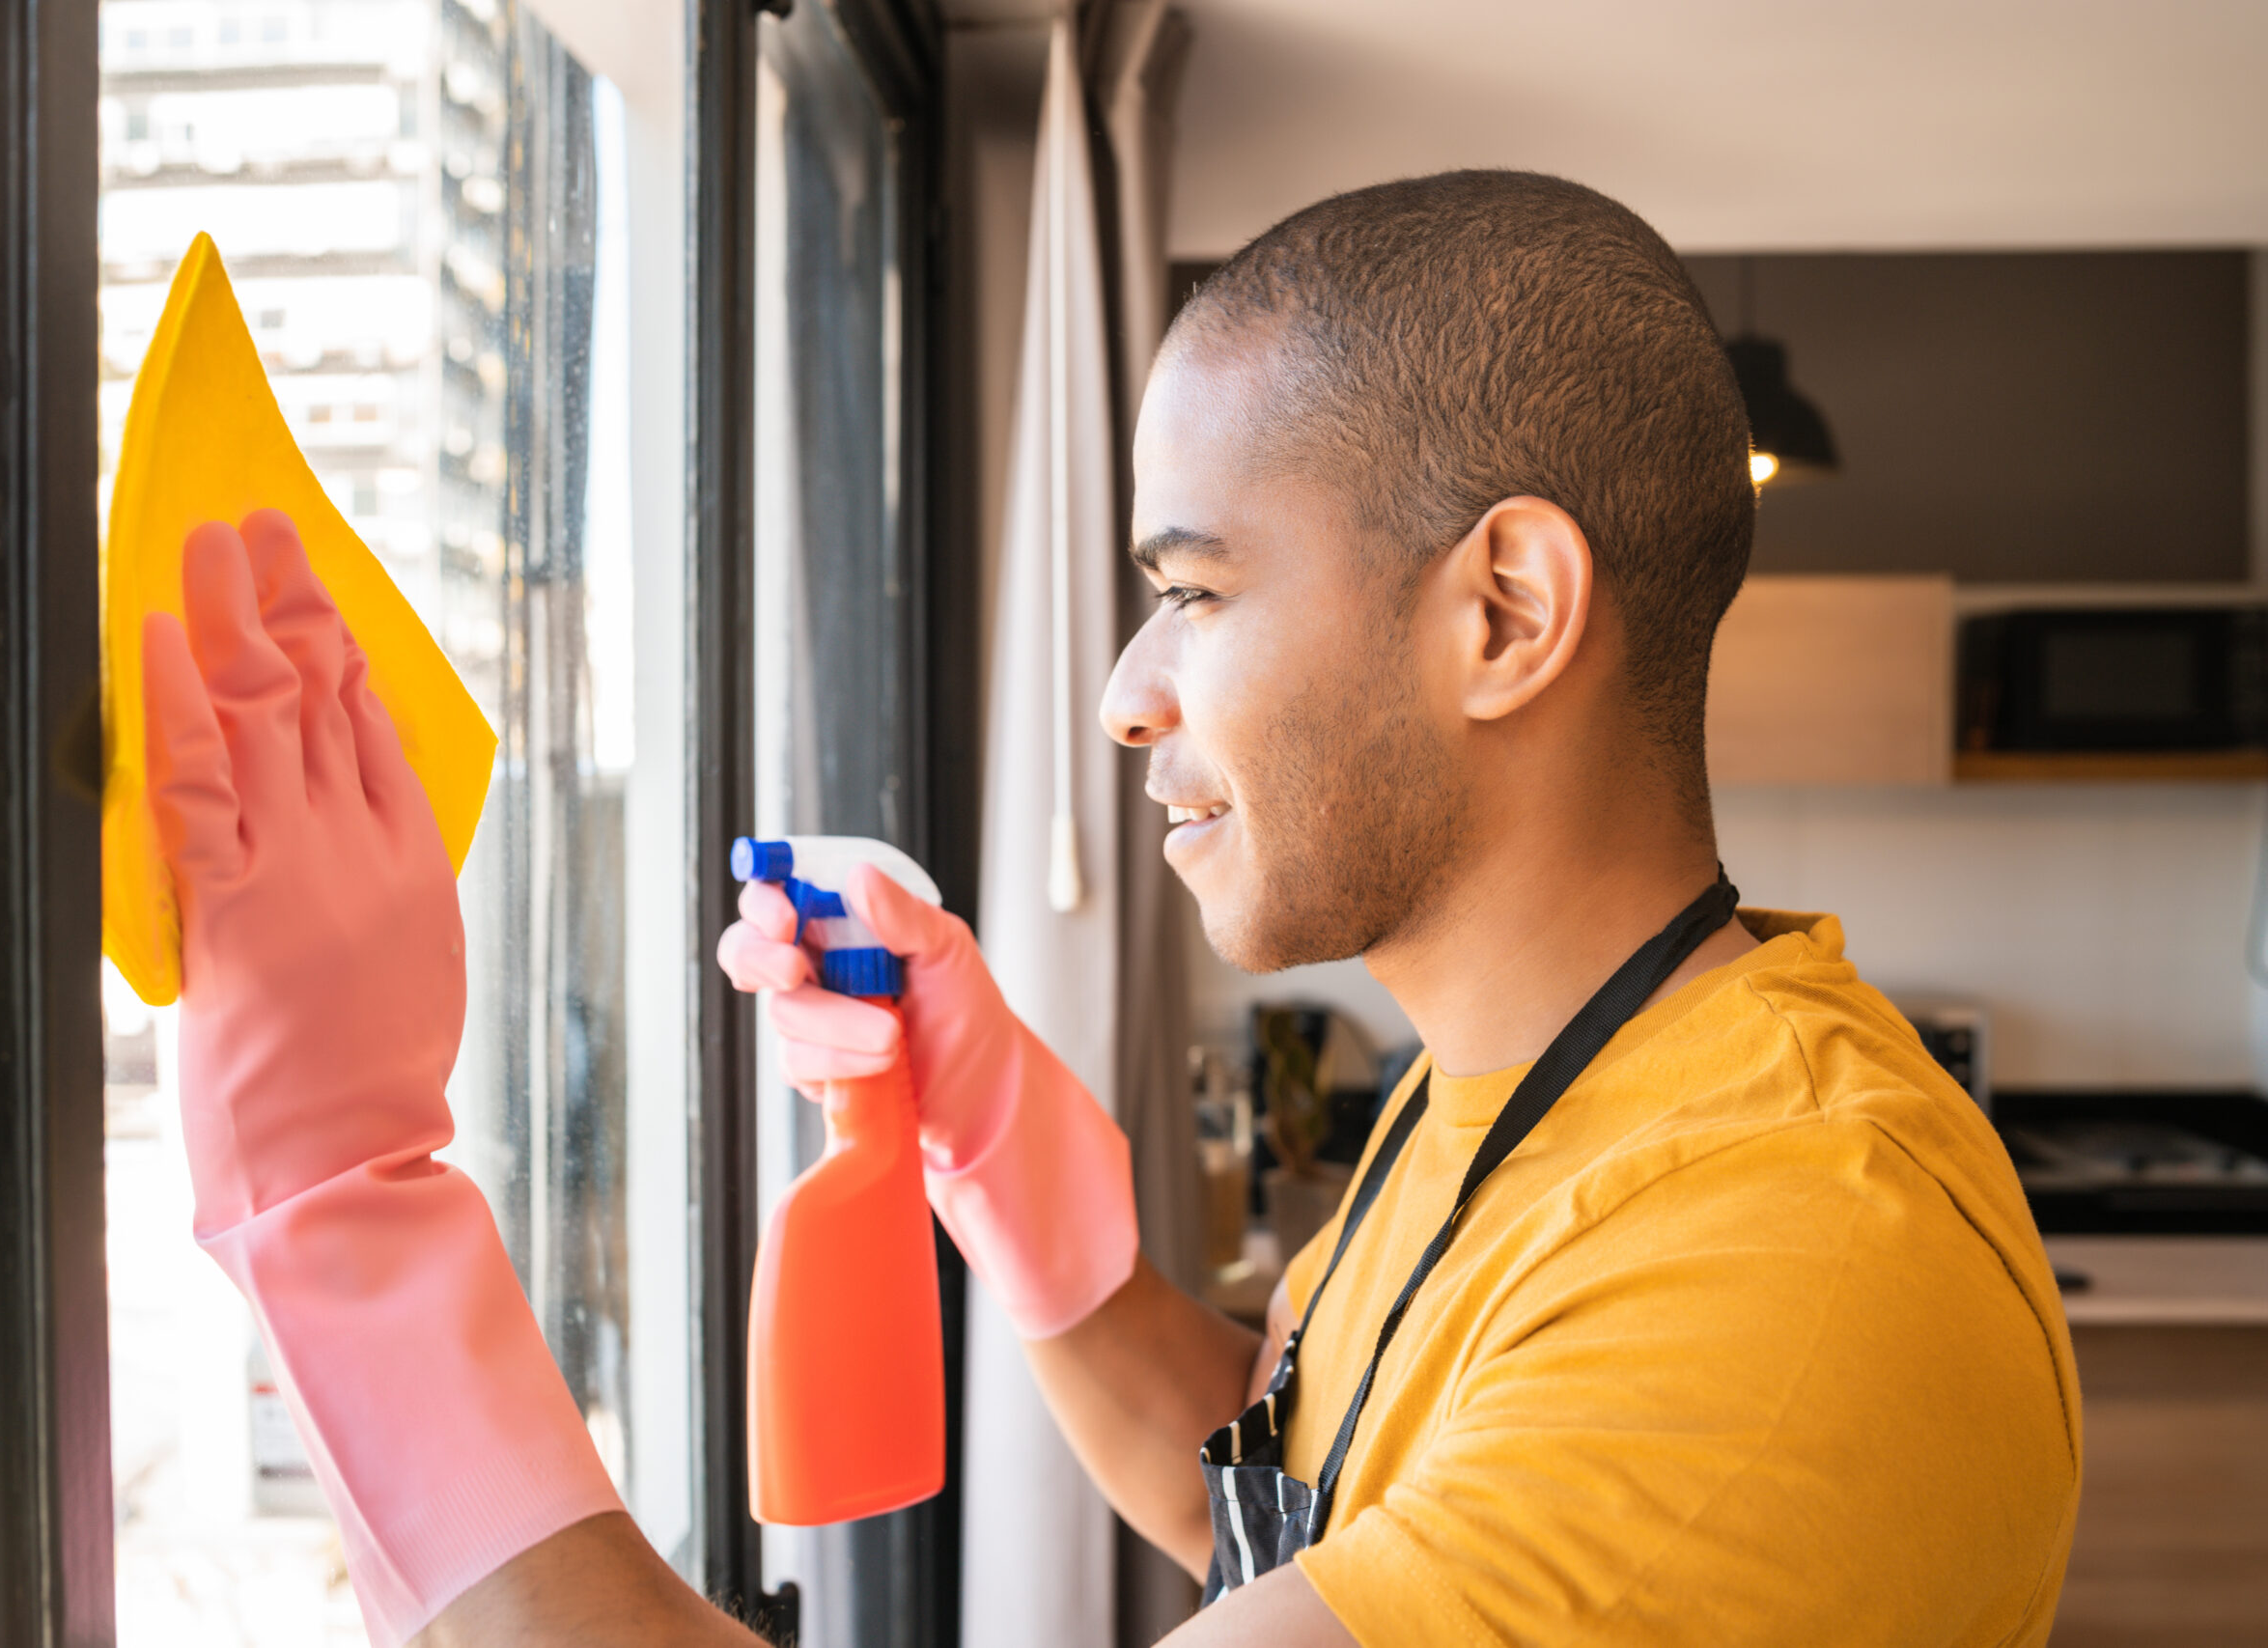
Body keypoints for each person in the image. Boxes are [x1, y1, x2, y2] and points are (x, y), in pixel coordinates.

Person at [144, 170, 2079, 1648]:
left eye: (1199, 588)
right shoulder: (1511, 1095)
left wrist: (349, 1211)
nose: (1122, 688)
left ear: (1502, 612)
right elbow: (1299, 1490)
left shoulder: (1788, 1273)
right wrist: (1007, 1177)